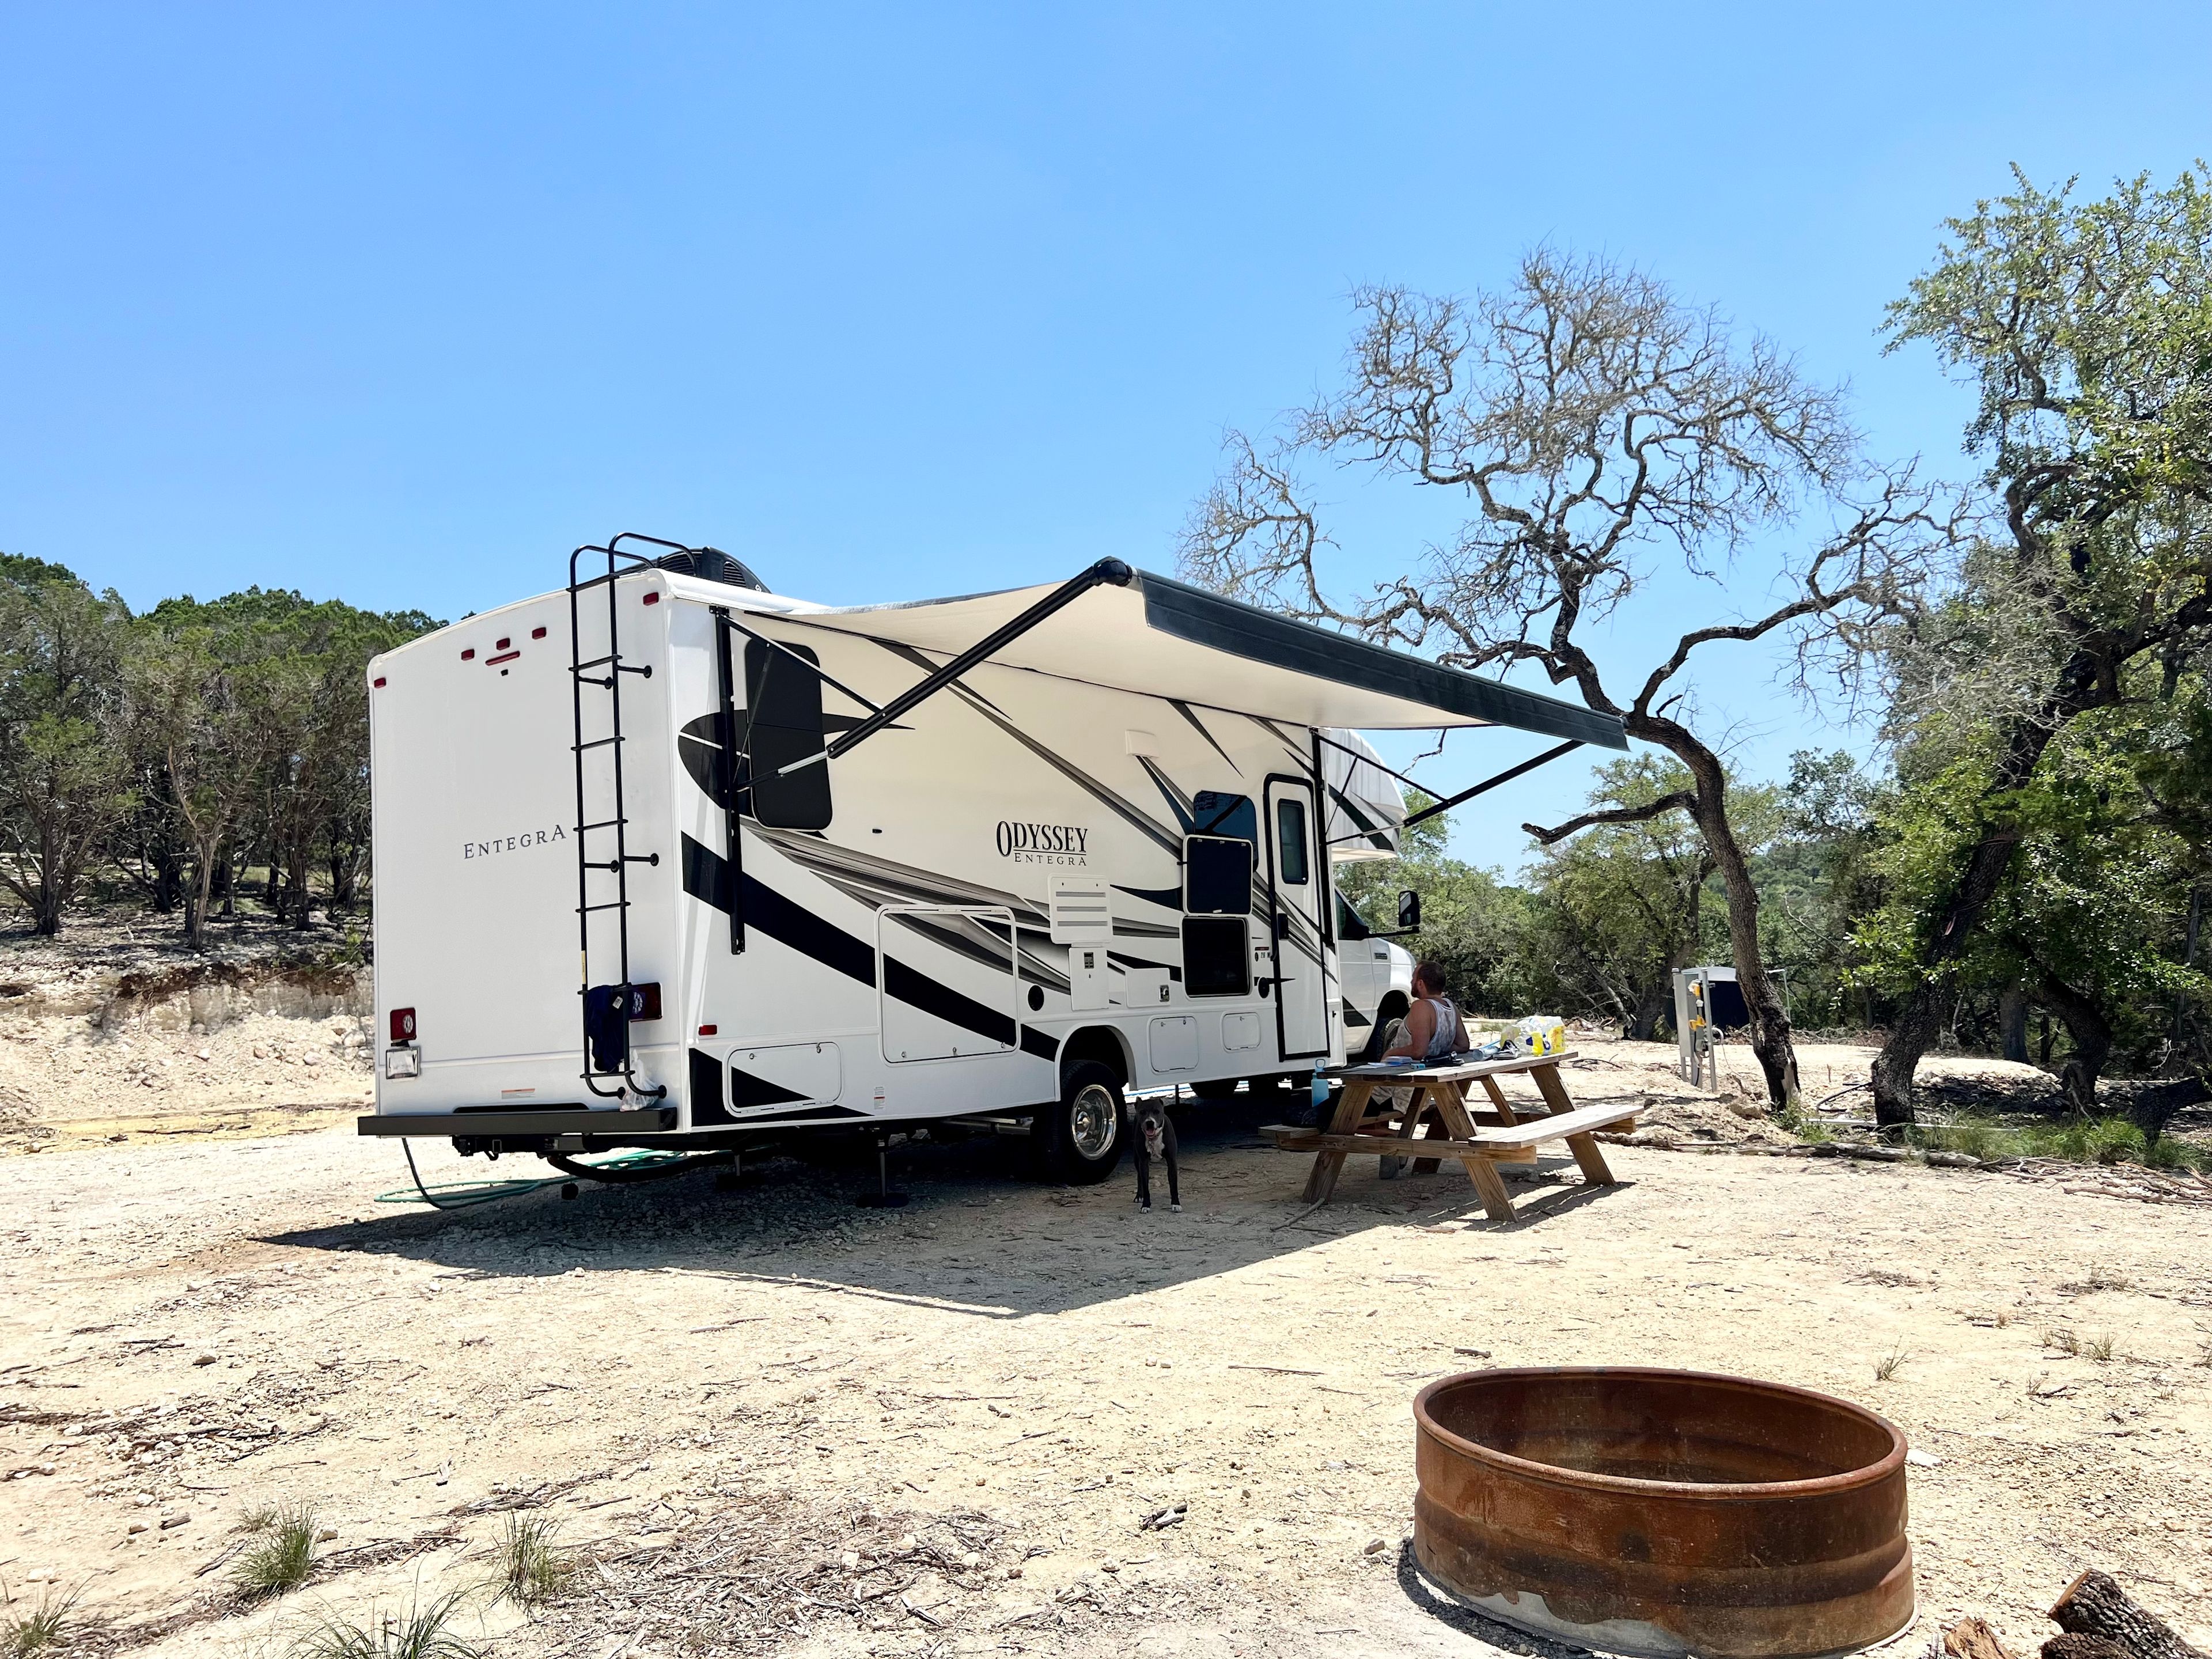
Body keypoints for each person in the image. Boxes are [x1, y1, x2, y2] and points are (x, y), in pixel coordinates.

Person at [1382, 961, 1469, 1063]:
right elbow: (1463, 1045)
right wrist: (1439, 1049)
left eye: (1414, 978)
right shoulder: (1450, 1006)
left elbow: (1419, 1051)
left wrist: (1390, 1053)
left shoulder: (1421, 1006)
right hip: (1435, 1065)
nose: (1411, 982)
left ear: (1420, 984)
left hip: (1408, 1068)